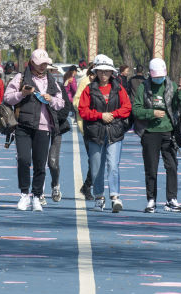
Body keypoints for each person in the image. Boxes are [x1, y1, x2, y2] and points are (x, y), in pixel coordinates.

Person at [3, 49, 64, 212]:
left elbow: (61, 103)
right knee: (23, 159)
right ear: (32, 63)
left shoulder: (52, 81)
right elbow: (7, 98)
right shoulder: (20, 78)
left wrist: (51, 99)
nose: (43, 67)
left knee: (39, 163)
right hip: (23, 125)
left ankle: (37, 196)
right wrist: (22, 94)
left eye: (45, 64)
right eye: (40, 64)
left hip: (44, 127)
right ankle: (24, 194)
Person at [78, 54, 131, 212]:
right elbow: (83, 110)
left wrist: (113, 115)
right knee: (96, 167)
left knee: (113, 165)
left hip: (114, 131)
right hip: (95, 132)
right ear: (96, 72)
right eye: (101, 71)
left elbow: (127, 107)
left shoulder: (118, 88)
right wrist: (100, 115)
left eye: (107, 71)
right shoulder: (89, 89)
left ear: (112, 73)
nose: (104, 74)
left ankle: (115, 197)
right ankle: (99, 197)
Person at [132, 58, 181, 213]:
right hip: (149, 133)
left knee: (172, 166)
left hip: (169, 132)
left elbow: (180, 107)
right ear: (150, 74)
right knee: (151, 167)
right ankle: (151, 200)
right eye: (155, 77)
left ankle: (172, 199)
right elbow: (136, 110)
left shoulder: (171, 86)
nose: (158, 79)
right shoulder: (144, 87)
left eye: (161, 76)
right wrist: (152, 113)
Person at [47, 67, 75, 202]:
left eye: (48, 70)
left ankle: (55, 185)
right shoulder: (31, 87)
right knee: (38, 162)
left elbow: (66, 108)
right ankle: (38, 192)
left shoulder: (58, 87)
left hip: (55, 128)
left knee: (52, 162)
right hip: (36, 128)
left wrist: (54, 119)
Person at [73, 64, 96, 199]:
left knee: (100, 159)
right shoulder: (85, 82)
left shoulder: (108, 84)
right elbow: (76, 102)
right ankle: (87, 187)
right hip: (88, 126)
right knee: (93, 158)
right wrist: (88, 109)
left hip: (104, 125)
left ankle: (87, 186)